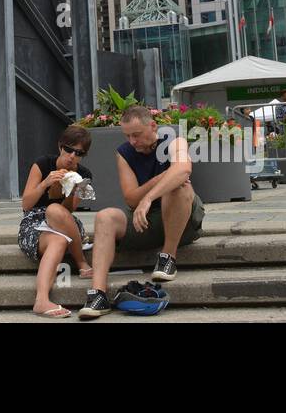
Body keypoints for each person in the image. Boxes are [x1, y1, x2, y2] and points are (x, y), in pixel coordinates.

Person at [79, 105, 206, 320]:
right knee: (104, 217)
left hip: (182, 221)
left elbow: (183, 169)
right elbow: (130, 198)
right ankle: (98, 295)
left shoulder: (174, 141)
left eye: (136, 135)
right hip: (145, 221)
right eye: (127, 135)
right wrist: (161, 179)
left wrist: (148, 197)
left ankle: (168, 257)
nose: (132, 141)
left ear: (153, 126)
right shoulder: (124, 153)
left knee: (179, 186)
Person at [17, 125, 94, 318]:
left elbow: (68, 211)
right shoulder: (43, 164)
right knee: (57, 239)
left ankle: (80, 262)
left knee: (55, 210)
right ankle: (42, 300)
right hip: (34, 222)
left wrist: (74, 189)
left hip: (65, 222)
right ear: (60, 146)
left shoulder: (84, 175)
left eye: (78, 153)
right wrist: (46, 183)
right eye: (68, 149)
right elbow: (26, 204)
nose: (72, 156)